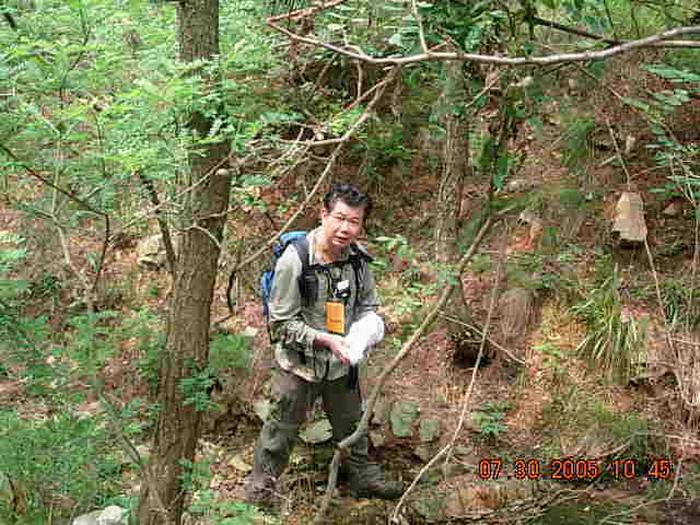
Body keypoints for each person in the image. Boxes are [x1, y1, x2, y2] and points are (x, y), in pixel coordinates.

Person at [245, 184, 403, 506]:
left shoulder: (358, 260)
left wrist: (367, 330)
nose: (346, 228)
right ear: (324, 215)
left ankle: (363, 478)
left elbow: (368, 305)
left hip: (341, 364)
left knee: (353, 425)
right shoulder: (296, 260)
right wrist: (324, 339)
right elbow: (280, 324)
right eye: (340, 218)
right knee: (279, 433)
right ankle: (260, 495)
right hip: (299, 365)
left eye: (354, 221)